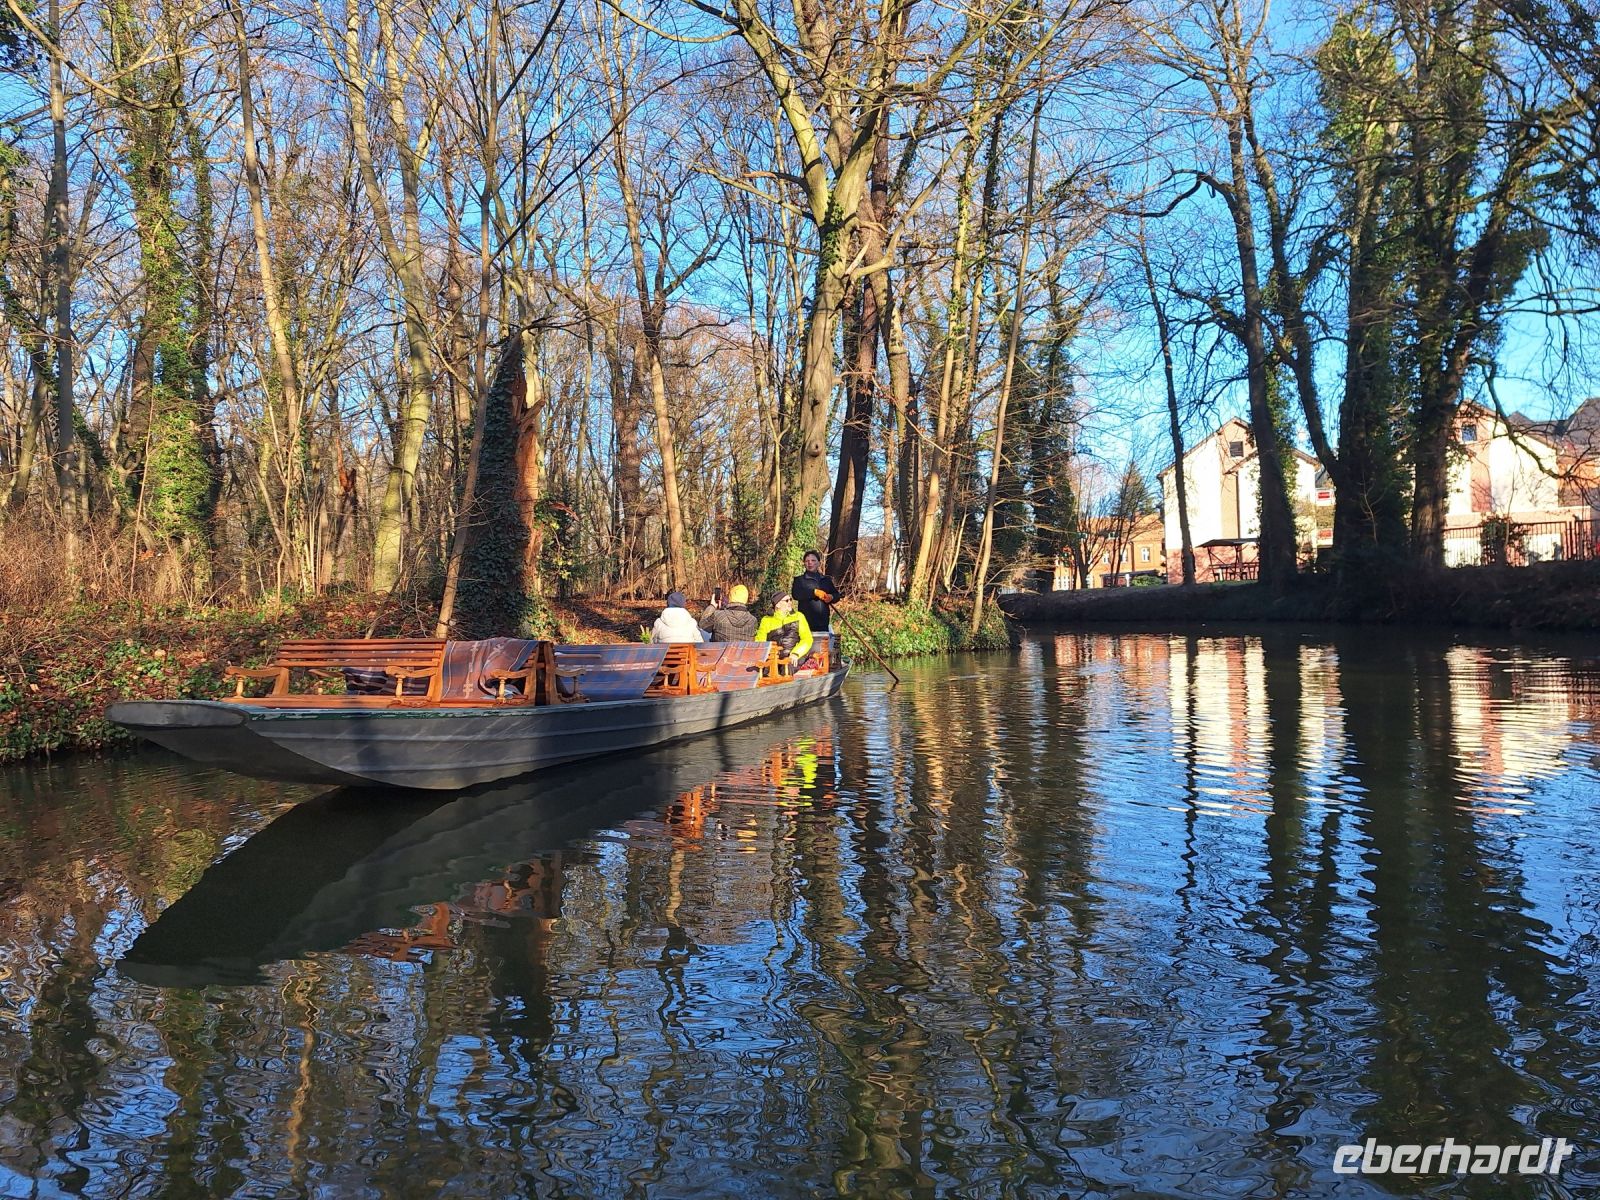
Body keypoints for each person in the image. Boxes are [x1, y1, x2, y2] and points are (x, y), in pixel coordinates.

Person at [755, 594, 813, 667]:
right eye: (786, 601)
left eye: (790, 600)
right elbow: (761, 642)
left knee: (788, 667)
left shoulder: (799, 616)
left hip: (794, 657)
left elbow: (807, 639)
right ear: (778, 605)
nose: (790, 602)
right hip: (773, 658)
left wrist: (796, 653)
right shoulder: (766, 620)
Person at [791, 550, 840, 632]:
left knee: (822, 644)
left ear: (818, 563)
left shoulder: (826, 580)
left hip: (823, 623)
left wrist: (831, 597)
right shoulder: (799, 580)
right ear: (804, 563)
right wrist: (814, 592)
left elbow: (836, 595)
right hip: (805, 623)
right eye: (807, 561)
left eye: (813, 560)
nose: (810, 563)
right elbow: (796, 594)